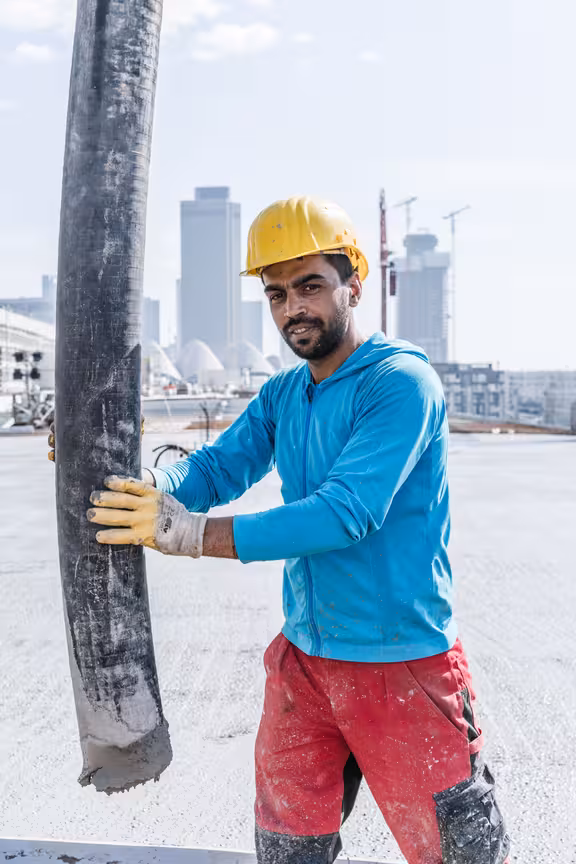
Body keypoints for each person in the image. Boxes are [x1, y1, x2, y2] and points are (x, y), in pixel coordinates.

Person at [54, 197, 510, 864]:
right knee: (288, 850)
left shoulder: (400, 383)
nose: (292, 308)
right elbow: (218, 466)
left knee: (460, 855)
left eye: (310, 286)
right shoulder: (285, 394)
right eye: (276, 294)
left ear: (354, 283)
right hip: (306, 665)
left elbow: (343, 513)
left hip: (402, 666)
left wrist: (189, 535)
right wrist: (152, 493)